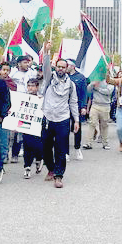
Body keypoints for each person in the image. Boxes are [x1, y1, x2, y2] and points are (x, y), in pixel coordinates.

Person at [41, 42, 80, 188]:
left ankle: (58, 175)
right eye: (58, 66)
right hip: (47, 118)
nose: (61, 69)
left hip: (63, 119)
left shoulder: (71, 85)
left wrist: (76, 120)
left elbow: (73, 103)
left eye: (63, 67)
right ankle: (50, 168)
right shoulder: (49, 78)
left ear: (67, 69)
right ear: (55, 67)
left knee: (60, 148)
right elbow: (45, 66)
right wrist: (46, 52)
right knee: (45, 147)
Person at [22, 78, 45, 178]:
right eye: (29, 86)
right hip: (26, 125)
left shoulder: (41, 98)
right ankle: (27, 167)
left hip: (37, 126)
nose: (30, 88)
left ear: (37, 87)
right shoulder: (23, 98)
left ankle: (39, 159)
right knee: (27, 146)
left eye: (32, 86)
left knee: (38, 146)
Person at [66, 59, 89, 161]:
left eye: (67, 65)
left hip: (77, 106)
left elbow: (84, 93)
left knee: (77, 128)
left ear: (73, 66)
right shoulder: (63, 77)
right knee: (64, 130)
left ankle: (77, 148)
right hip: (64, 107)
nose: (65, 67)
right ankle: (65, 152)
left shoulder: (81, 77)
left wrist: (83, 107)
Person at [84, 78, 114, 150]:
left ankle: (105, 143)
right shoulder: (95, 80)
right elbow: (88, 90)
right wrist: (92, 84)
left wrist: (97, 88)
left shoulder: (110, 81)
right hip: (95, 105)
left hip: (105, 106)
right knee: (92, 123)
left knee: (104, 125)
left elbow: (108, 91)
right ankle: (88, 143)